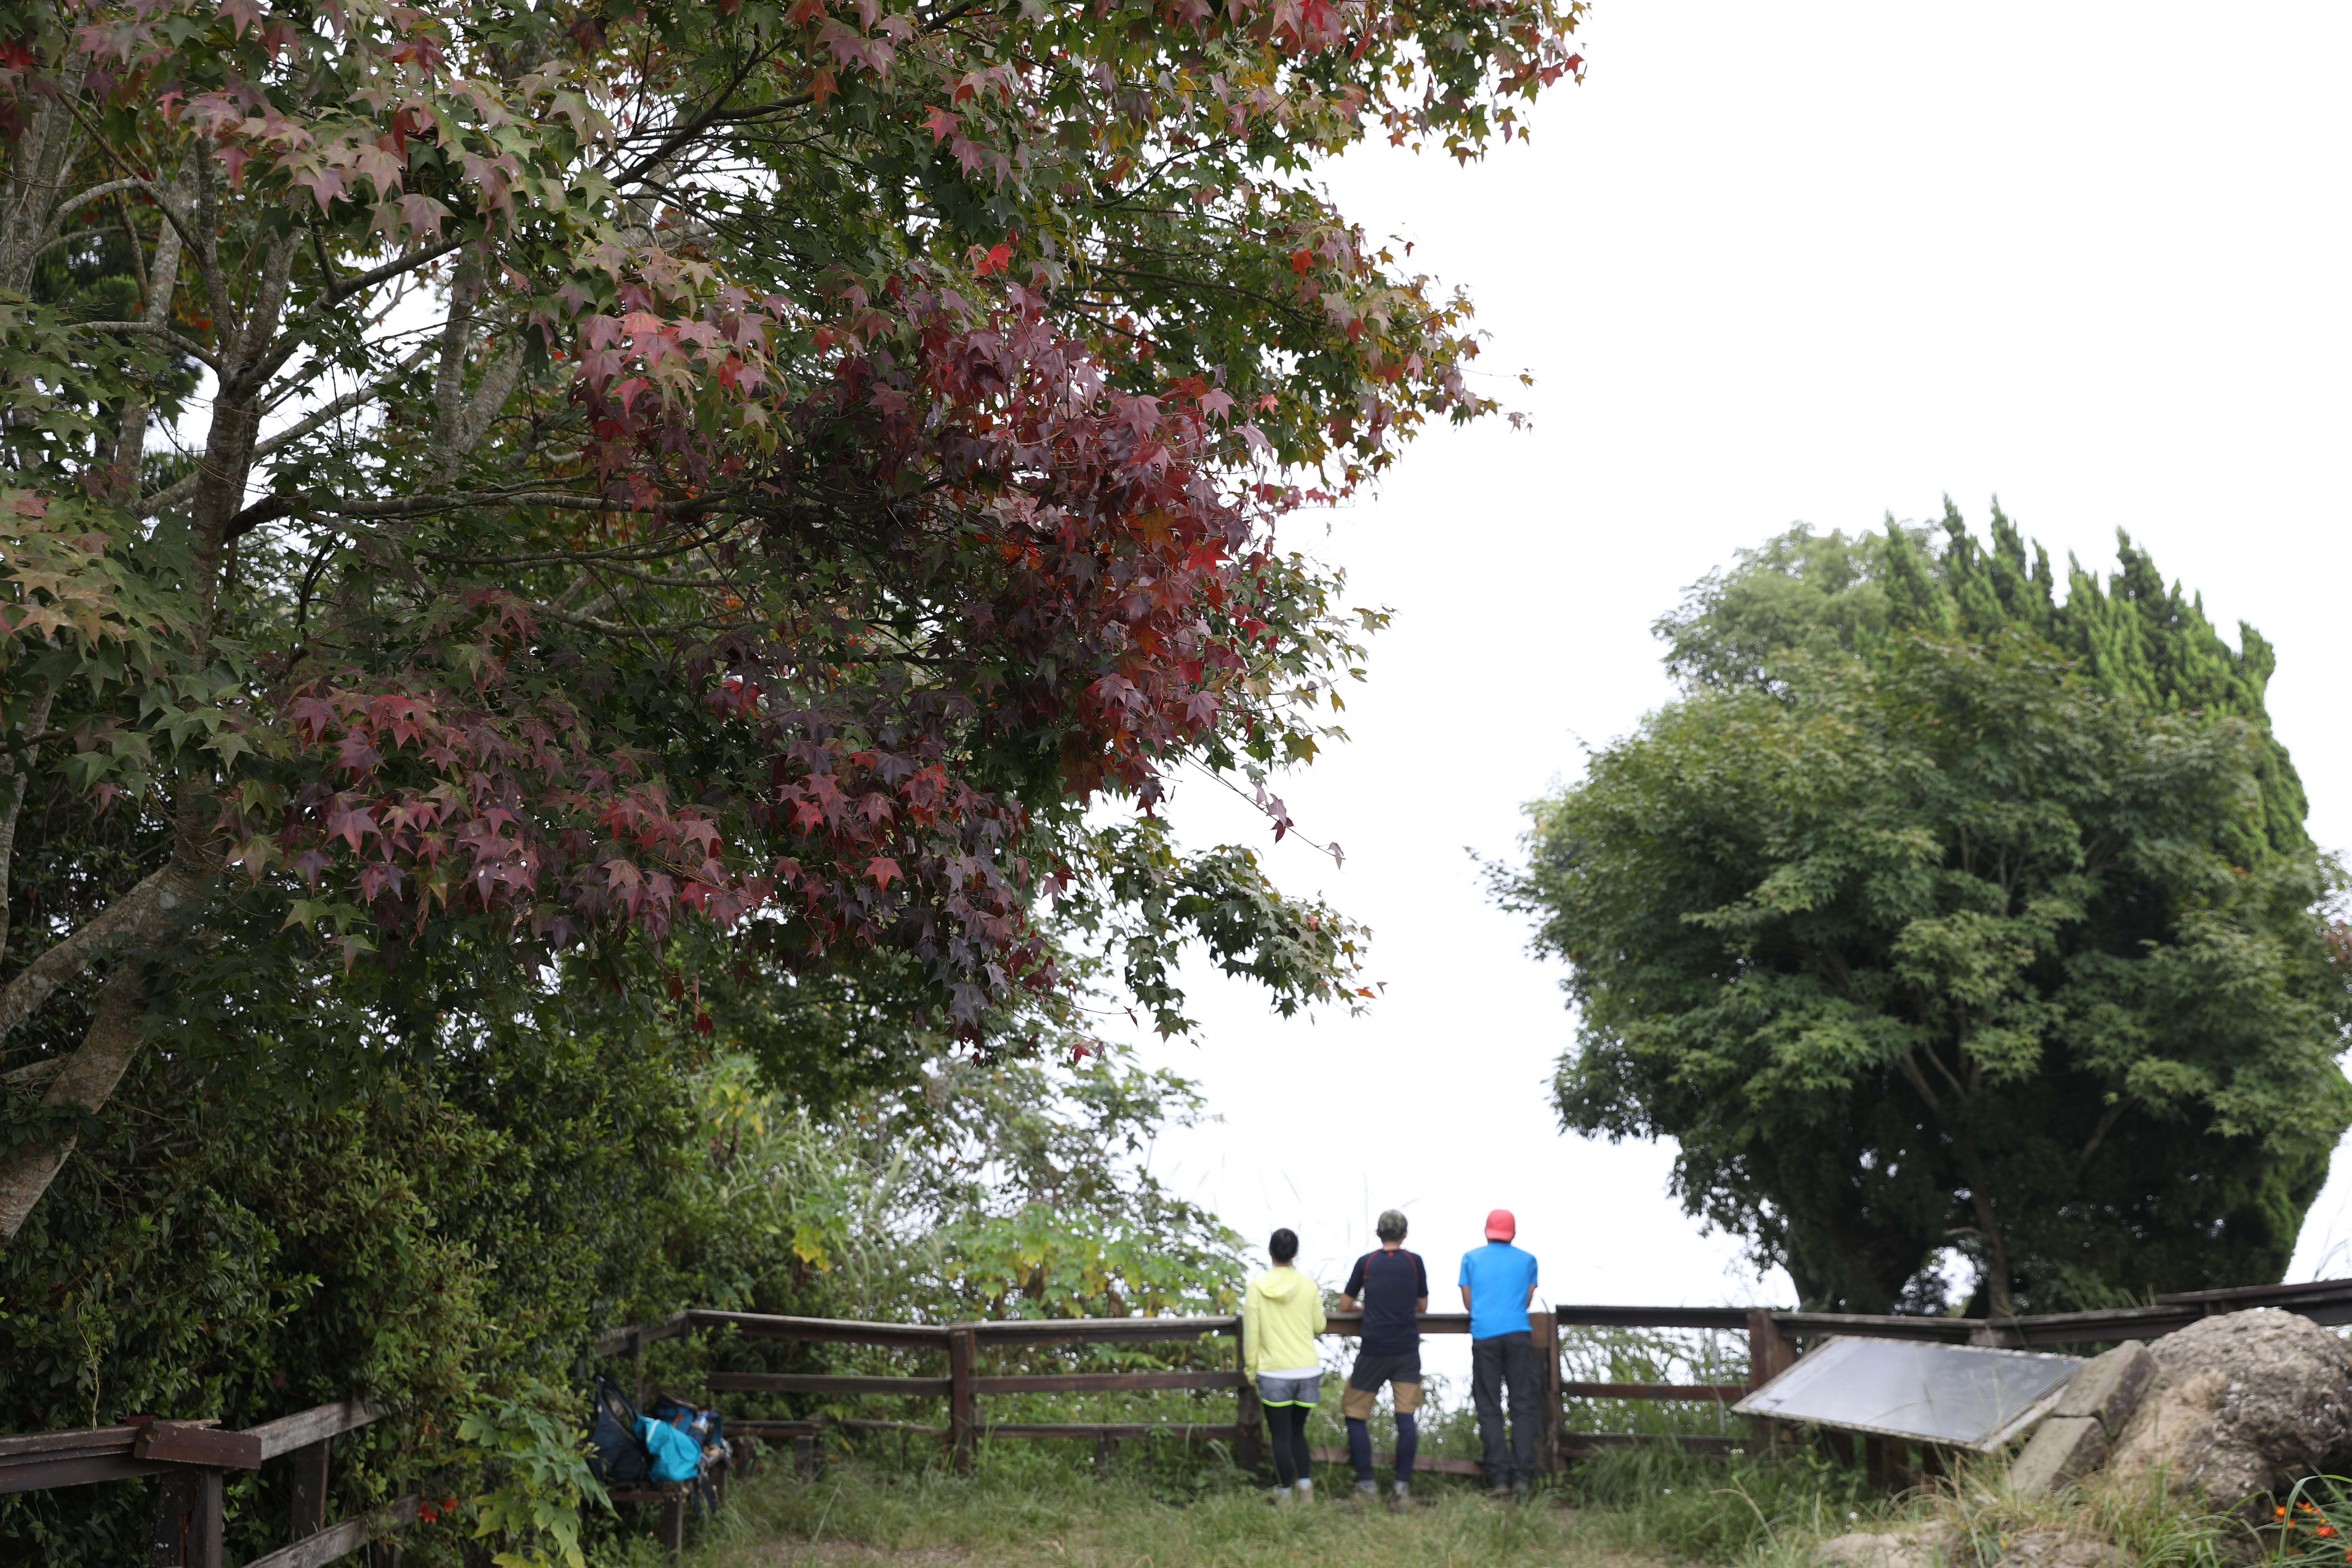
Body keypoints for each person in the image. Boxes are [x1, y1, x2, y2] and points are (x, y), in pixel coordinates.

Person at [1337, 1208, 1428, 1506]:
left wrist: (1368, 1309)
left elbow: (1345, 1306)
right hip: (1406, 1350)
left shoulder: (1367, 1262)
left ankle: (1367, 1489)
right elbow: (1422, 1306)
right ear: (1404, 1235)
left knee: (1354, 1412)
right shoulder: (1416, 1262)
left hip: (1374, 1349)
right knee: (1406, 1418)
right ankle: (1401, 1491)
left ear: (1379, 1234)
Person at [1459, 1207, 1540, 1497]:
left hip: (1485, 1337)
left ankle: (1499, 1480)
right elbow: (1527, 1300)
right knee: (1522, 1406)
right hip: (1519, 1336)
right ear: (1513, 1233)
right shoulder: (1529, 1260)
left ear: (1487, 1232)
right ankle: (1522, 1479)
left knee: (1489, 1407)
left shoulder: (1470, 1259)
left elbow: (1469, 1304)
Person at [1243, 1226, 1327, 1504]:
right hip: (1307, 1371)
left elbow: (1252, 1333)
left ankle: (1284, 1497)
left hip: (1274, 1373)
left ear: (1270, 1252)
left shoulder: (1257, 1288)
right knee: (1298, 1432)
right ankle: (1306, 1492)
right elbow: (1320, 1325)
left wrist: (1250, 1369)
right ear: (1296, 1254)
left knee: (1281, 1435)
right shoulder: (1308, 1285)